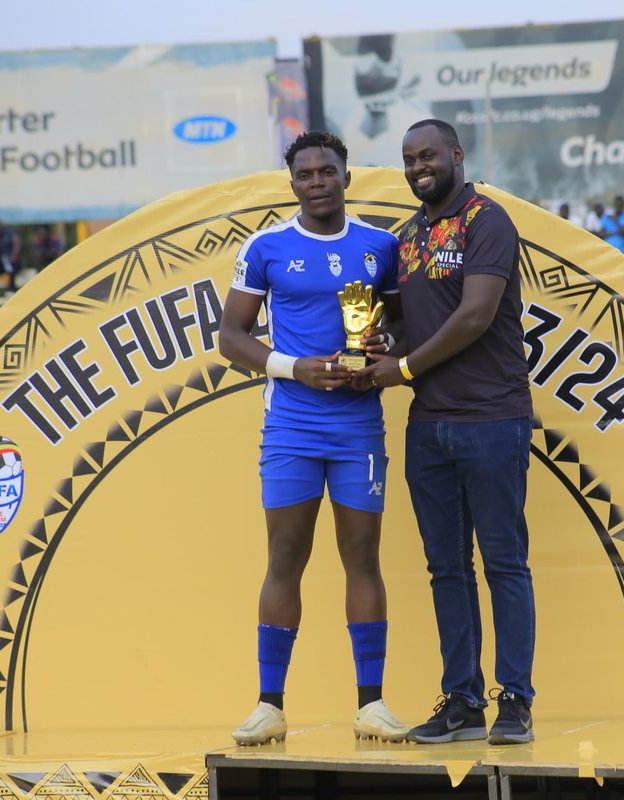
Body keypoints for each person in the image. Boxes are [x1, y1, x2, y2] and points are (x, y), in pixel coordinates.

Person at [217, 131, 408, 746]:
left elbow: (403, 333)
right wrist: (291, 366)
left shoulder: (381, 247)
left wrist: (382, 351)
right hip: (292, 426)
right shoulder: (267, 247)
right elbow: (231, 336)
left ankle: (371, 704)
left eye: (329, 170)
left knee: (362, 558)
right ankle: (269, 705)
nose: (319, 181)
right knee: (285, 557)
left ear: (348, 177)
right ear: (293, 182)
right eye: (307, 173)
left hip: (359, 424)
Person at [359, 119, 535, 746]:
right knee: (446, 570)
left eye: (427, 155)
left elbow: (474, 316)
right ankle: (462, 700)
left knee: (505, 564)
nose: (417, 167)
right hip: (429, 423)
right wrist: (386, 343)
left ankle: (514, 701)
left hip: (493, 419)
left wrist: (401, 367)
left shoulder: (488, 219)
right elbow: (414, 327)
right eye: (408, 159)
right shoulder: (404, 238)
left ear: (456, 155)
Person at [0, 217, 22, 292]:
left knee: (11, 267)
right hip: (0, 263)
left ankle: (11, 289)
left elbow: (17, 243)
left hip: (12, 260)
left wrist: (13, 257)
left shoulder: (10, 232)